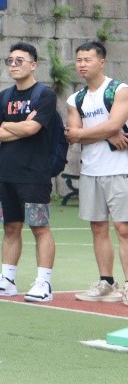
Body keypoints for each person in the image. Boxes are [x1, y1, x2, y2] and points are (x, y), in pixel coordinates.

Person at [0, 42, 59, 303]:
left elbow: (33, 129)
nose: (13, 65)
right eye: (10, 61)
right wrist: (21, 125)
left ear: (33, 65)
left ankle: (44, 283)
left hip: (34, 175)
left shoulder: (44, 95)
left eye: (19, 61)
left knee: (39, 227)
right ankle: (7, 281)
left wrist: (9, 126)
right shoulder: (3, 97)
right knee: (10, 227)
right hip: (5, 175)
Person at [65, 41, 128, 303]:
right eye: (79, 60)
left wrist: (94, 132)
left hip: (120, 169)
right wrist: (107, 133)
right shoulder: (75, 99)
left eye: (87, 59)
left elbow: (115, 123)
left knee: (123, 228)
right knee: (98, 228)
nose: (82, 64)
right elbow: (73, 135)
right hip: (91, 170)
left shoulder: (119, 90)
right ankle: (106, 283)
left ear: (101, 62)